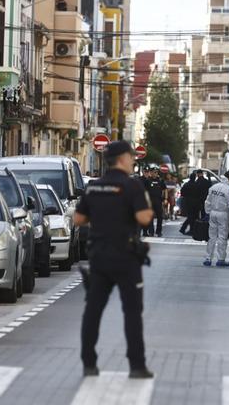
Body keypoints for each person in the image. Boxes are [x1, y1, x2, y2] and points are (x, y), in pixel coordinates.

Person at [73, 140, 154, 379]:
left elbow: (78, 219)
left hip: (98, 256)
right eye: (131, 156)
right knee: (132, 312)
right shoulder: (132, 186)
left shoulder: (94, 187)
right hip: (126, 258)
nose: (132, 161)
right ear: (121, 159)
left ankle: (89, 363)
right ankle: (136, 366)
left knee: (93, 310)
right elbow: (144, 218)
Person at [203, 170, 229, 267]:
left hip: (212, 213)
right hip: (223, 214)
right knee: (222, 237)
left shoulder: (213, 187)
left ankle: (208, 258)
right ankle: (220, 259)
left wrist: (207, 213)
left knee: (212, 237)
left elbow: (207, 202)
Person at [146, 167, 165, 237]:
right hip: (150, 201)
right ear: (151, 173)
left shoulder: (160, 180)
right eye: (154, 172)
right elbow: (145, 191)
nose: (155, 173)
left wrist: (165, 198)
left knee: (160, 216)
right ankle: (151, 231)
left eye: (156, 172)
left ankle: (158, 231)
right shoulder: (148, 180)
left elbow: (164, 189)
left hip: (158, 200)